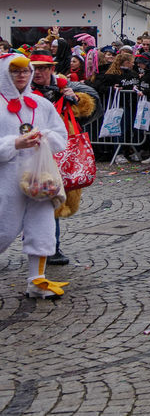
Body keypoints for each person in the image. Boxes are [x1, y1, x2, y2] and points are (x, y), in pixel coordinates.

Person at [1, 55, 71, 298]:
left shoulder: (41, 104)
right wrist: (13, 143)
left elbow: (60, 135)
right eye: (15, 71)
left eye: (25, 71)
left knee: (42, 226)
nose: (22, 75)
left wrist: (46, 138)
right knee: (4, 228)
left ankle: (37, 280)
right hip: (6, 176)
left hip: (40, 177)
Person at [30, 55, 99, 266]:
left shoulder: (64, 88)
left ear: (52, 69)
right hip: (30, 151)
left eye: (44, 68)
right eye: (35, 69)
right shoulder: (23, 91)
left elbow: (87, 110)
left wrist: (76, 99)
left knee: (51, 201)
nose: (39, 73)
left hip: (60, 152)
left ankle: (51, 247)